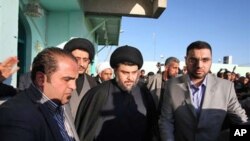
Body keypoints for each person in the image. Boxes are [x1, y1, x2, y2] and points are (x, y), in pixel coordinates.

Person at [159, 41, 248, 141]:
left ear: (211, 61)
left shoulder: (226, 87)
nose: (199, 65)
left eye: (205, 60)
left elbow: (241, 121)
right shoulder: (172, 85)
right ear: (186, 60)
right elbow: (166, 120)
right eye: (193, 60)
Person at [75, 45, 159, 141]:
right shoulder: (99, 93)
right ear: (115, 71)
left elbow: (152, 129)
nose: (130, 78)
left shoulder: (144, 92)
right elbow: (85, 133)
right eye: (125, 72)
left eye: (134, 72)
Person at [0, 47, 80, 141]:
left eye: (75, 80)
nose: (74, 86)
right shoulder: (17, 116)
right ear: (41, 79)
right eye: (67, 79)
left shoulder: (61, 102)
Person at [63, 38, 97, 120]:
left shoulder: (93, 83)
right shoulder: (59, 80)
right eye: (77, 59)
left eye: (85, 60)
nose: (81, 64)